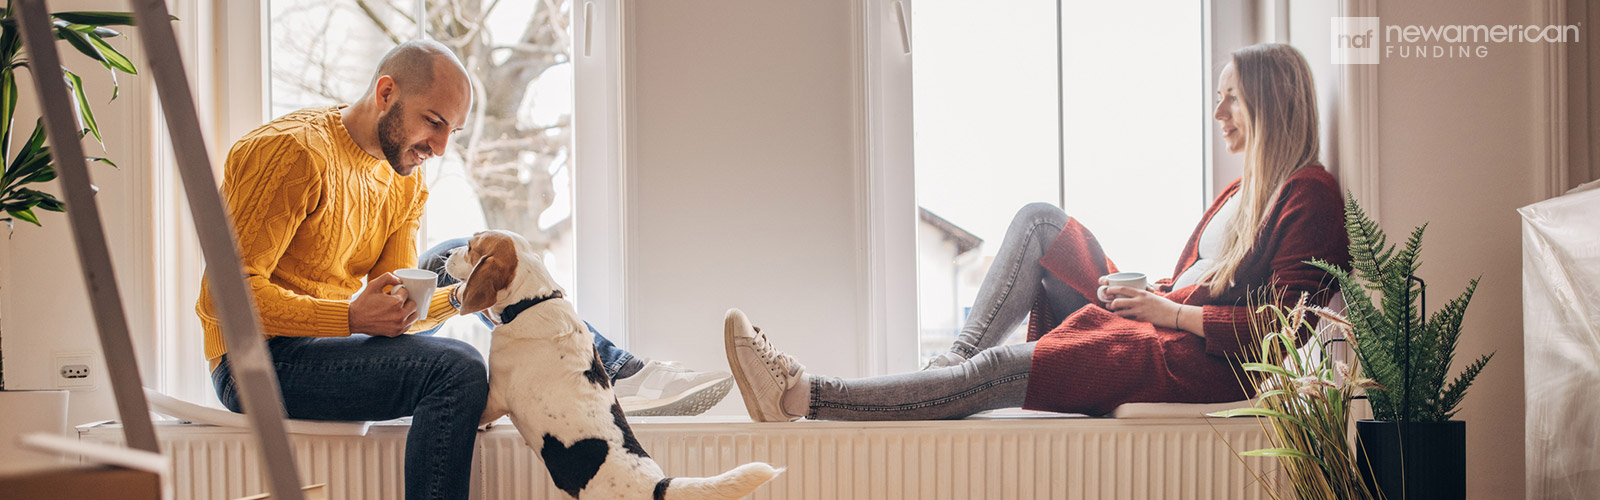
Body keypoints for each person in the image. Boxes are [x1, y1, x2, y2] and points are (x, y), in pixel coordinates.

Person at [200, 40, 727, 500]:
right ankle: (609, 369)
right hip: (256, 361)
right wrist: (351, 318)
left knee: (477, 255)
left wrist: (459, 299)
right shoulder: (289, 154)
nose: (440, 147)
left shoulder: (403, 180)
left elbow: (398, 309)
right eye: (433, 122)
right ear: (386, 94)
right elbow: (224, 300)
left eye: (451, 130)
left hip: (331, 339)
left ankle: (614, 367)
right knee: (456, 368)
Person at [722, 43, 1352, 422]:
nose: (1217, 113)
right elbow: (1194, 282)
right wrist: (1148, 295)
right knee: (1040, 220)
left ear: (1272, 103)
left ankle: (802, 393)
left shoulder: (1310, 194)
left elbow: (1284, 331)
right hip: (1153, 321)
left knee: (992, 372)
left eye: (1232, 99)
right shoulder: (1240, 193)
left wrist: (1163, 310)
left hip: (1179, 357)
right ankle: (952, 365)